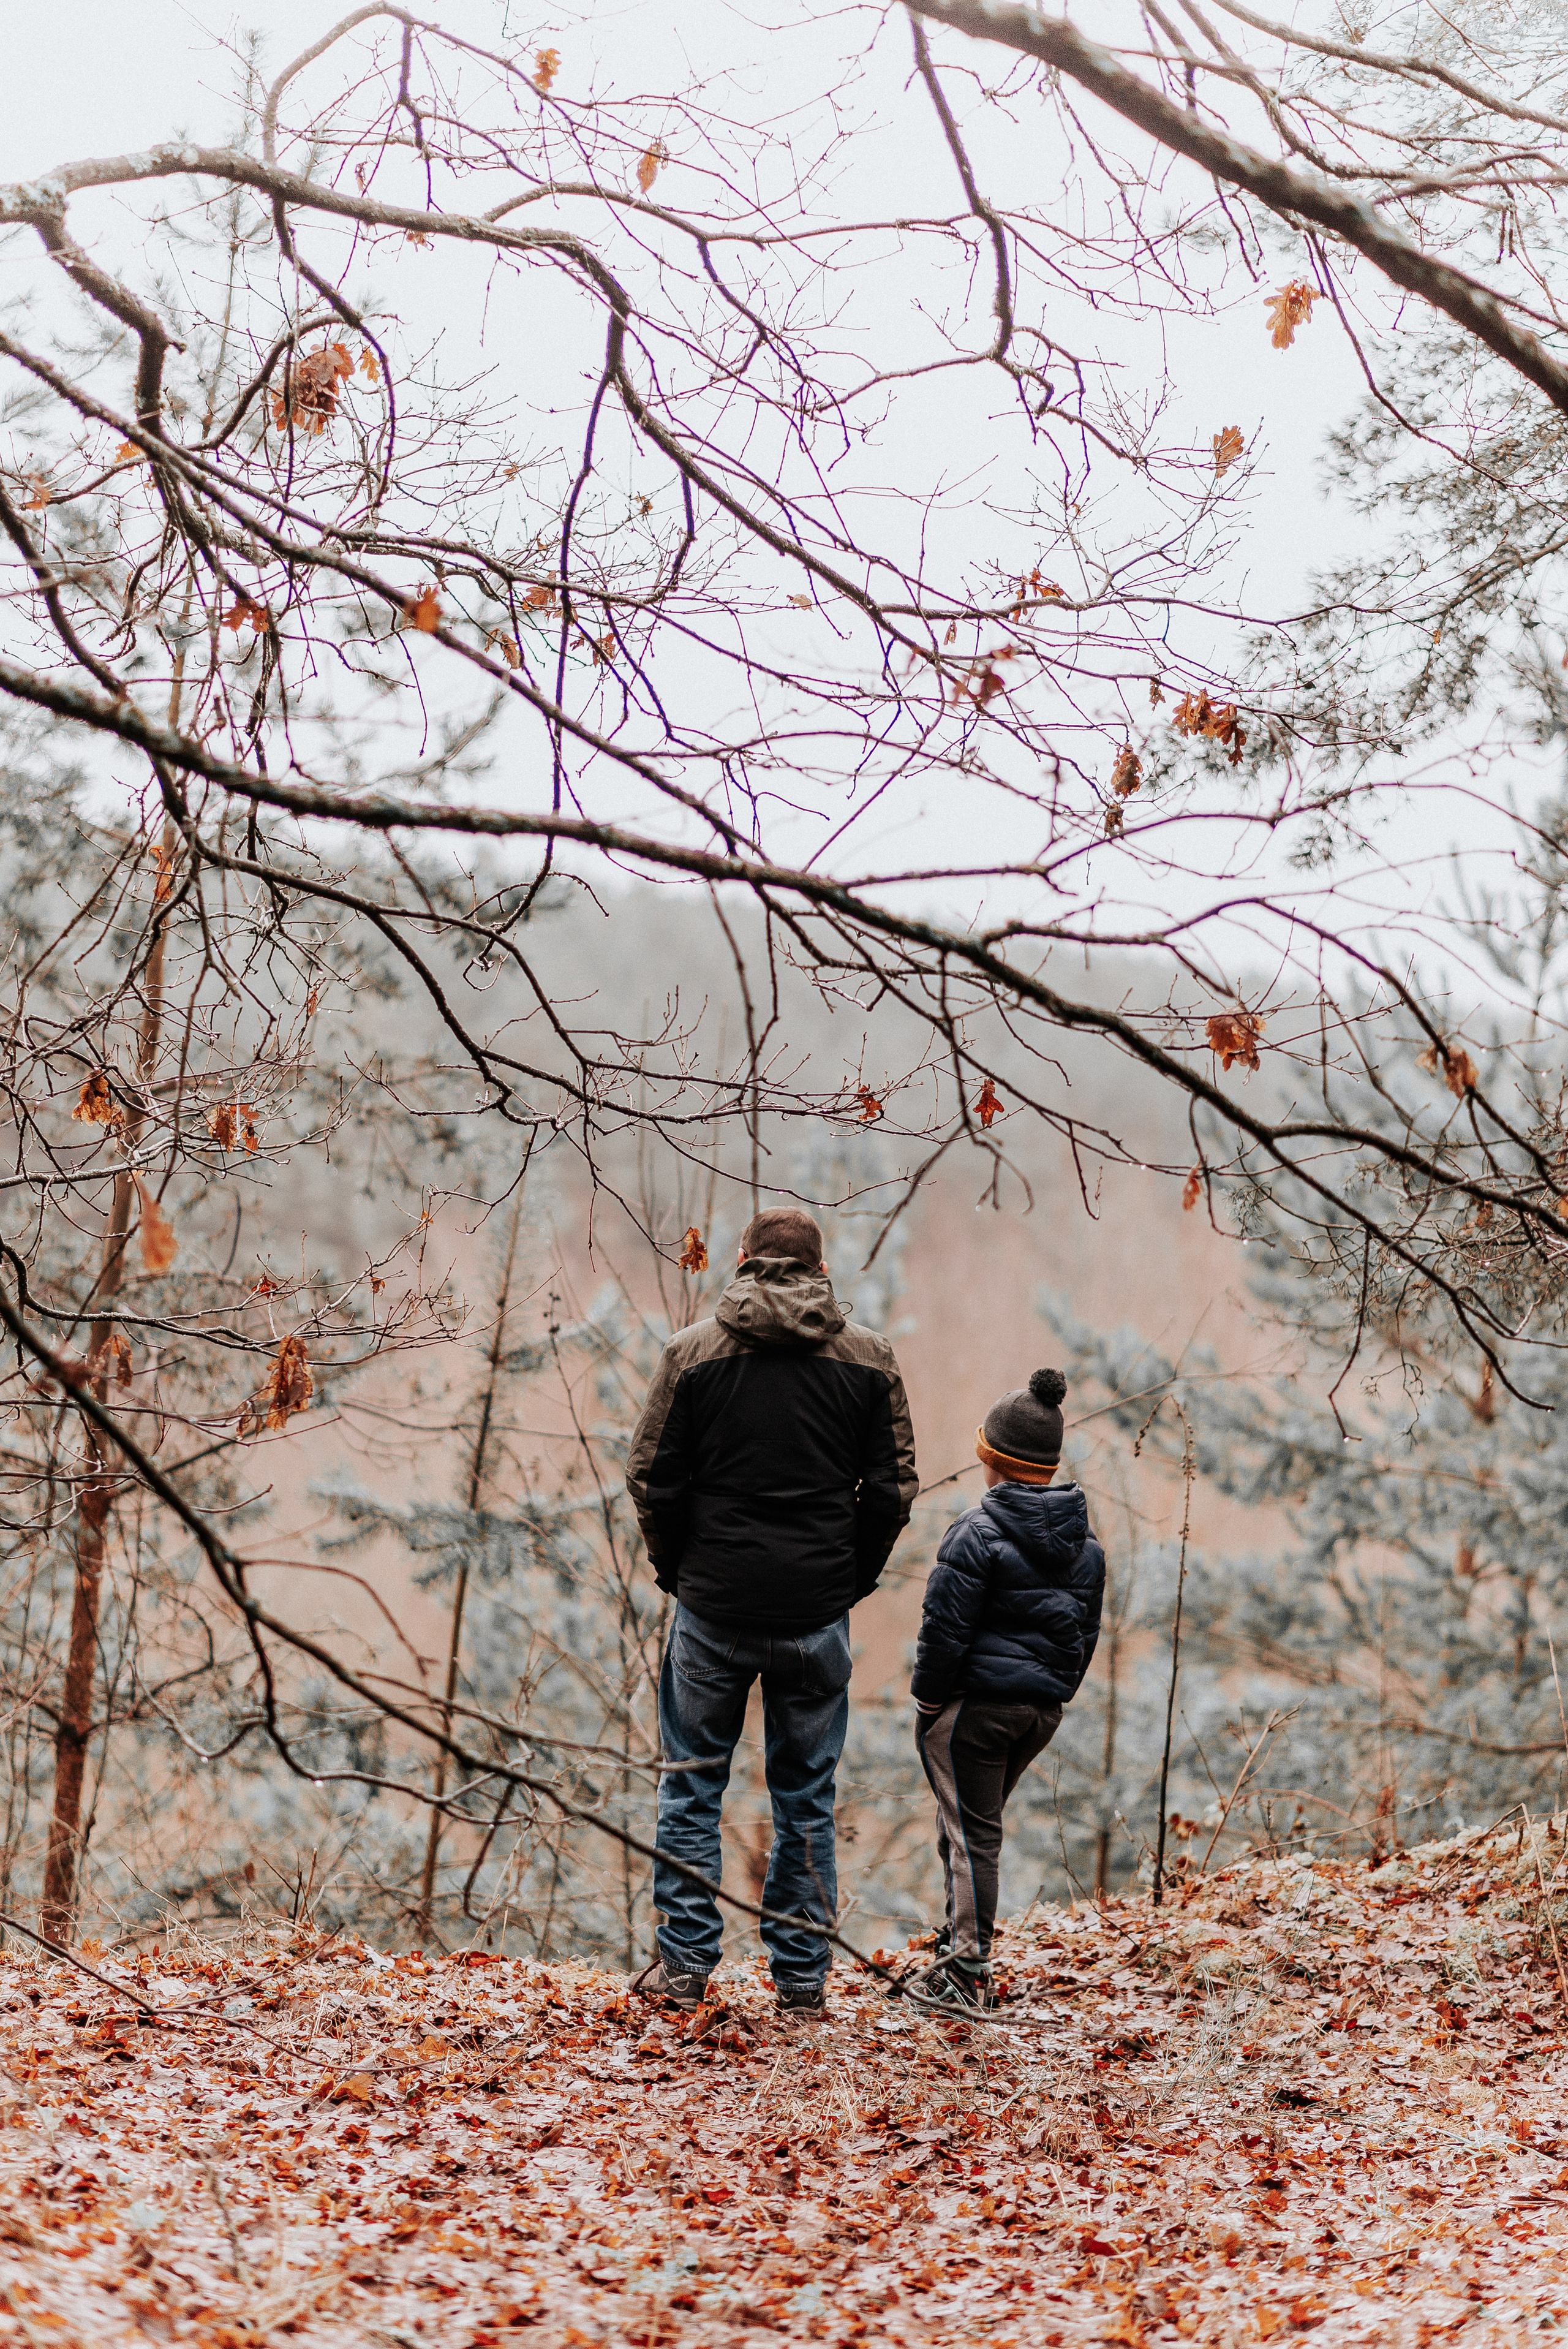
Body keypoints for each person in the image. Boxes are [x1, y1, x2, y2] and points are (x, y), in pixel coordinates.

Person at [625, 1205, 918, 2016]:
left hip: (713, 1606)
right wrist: (847, 1578)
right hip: (814, 1613)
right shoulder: (870, 1358)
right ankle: (800, 1980)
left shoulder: (691, 1354)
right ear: (822, 1272)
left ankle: (684, 1968)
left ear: (746, 1260)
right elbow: (893, 1490)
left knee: (689, 1786)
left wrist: (680, 1571)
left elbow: (652, 1478)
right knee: (807, 1797)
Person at [908, 1366, 1104, 2009]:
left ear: (991, 1460)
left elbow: (943, 1629)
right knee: (965, 1825)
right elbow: (1086, 1632)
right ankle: (954, 1955)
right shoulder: (1087, 1546)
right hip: (1038, 1711)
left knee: (970, 1835)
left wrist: (928, 1700)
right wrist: (1054, 1693)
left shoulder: (975, 1534)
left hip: (974, 1711)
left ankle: (966, 1973)